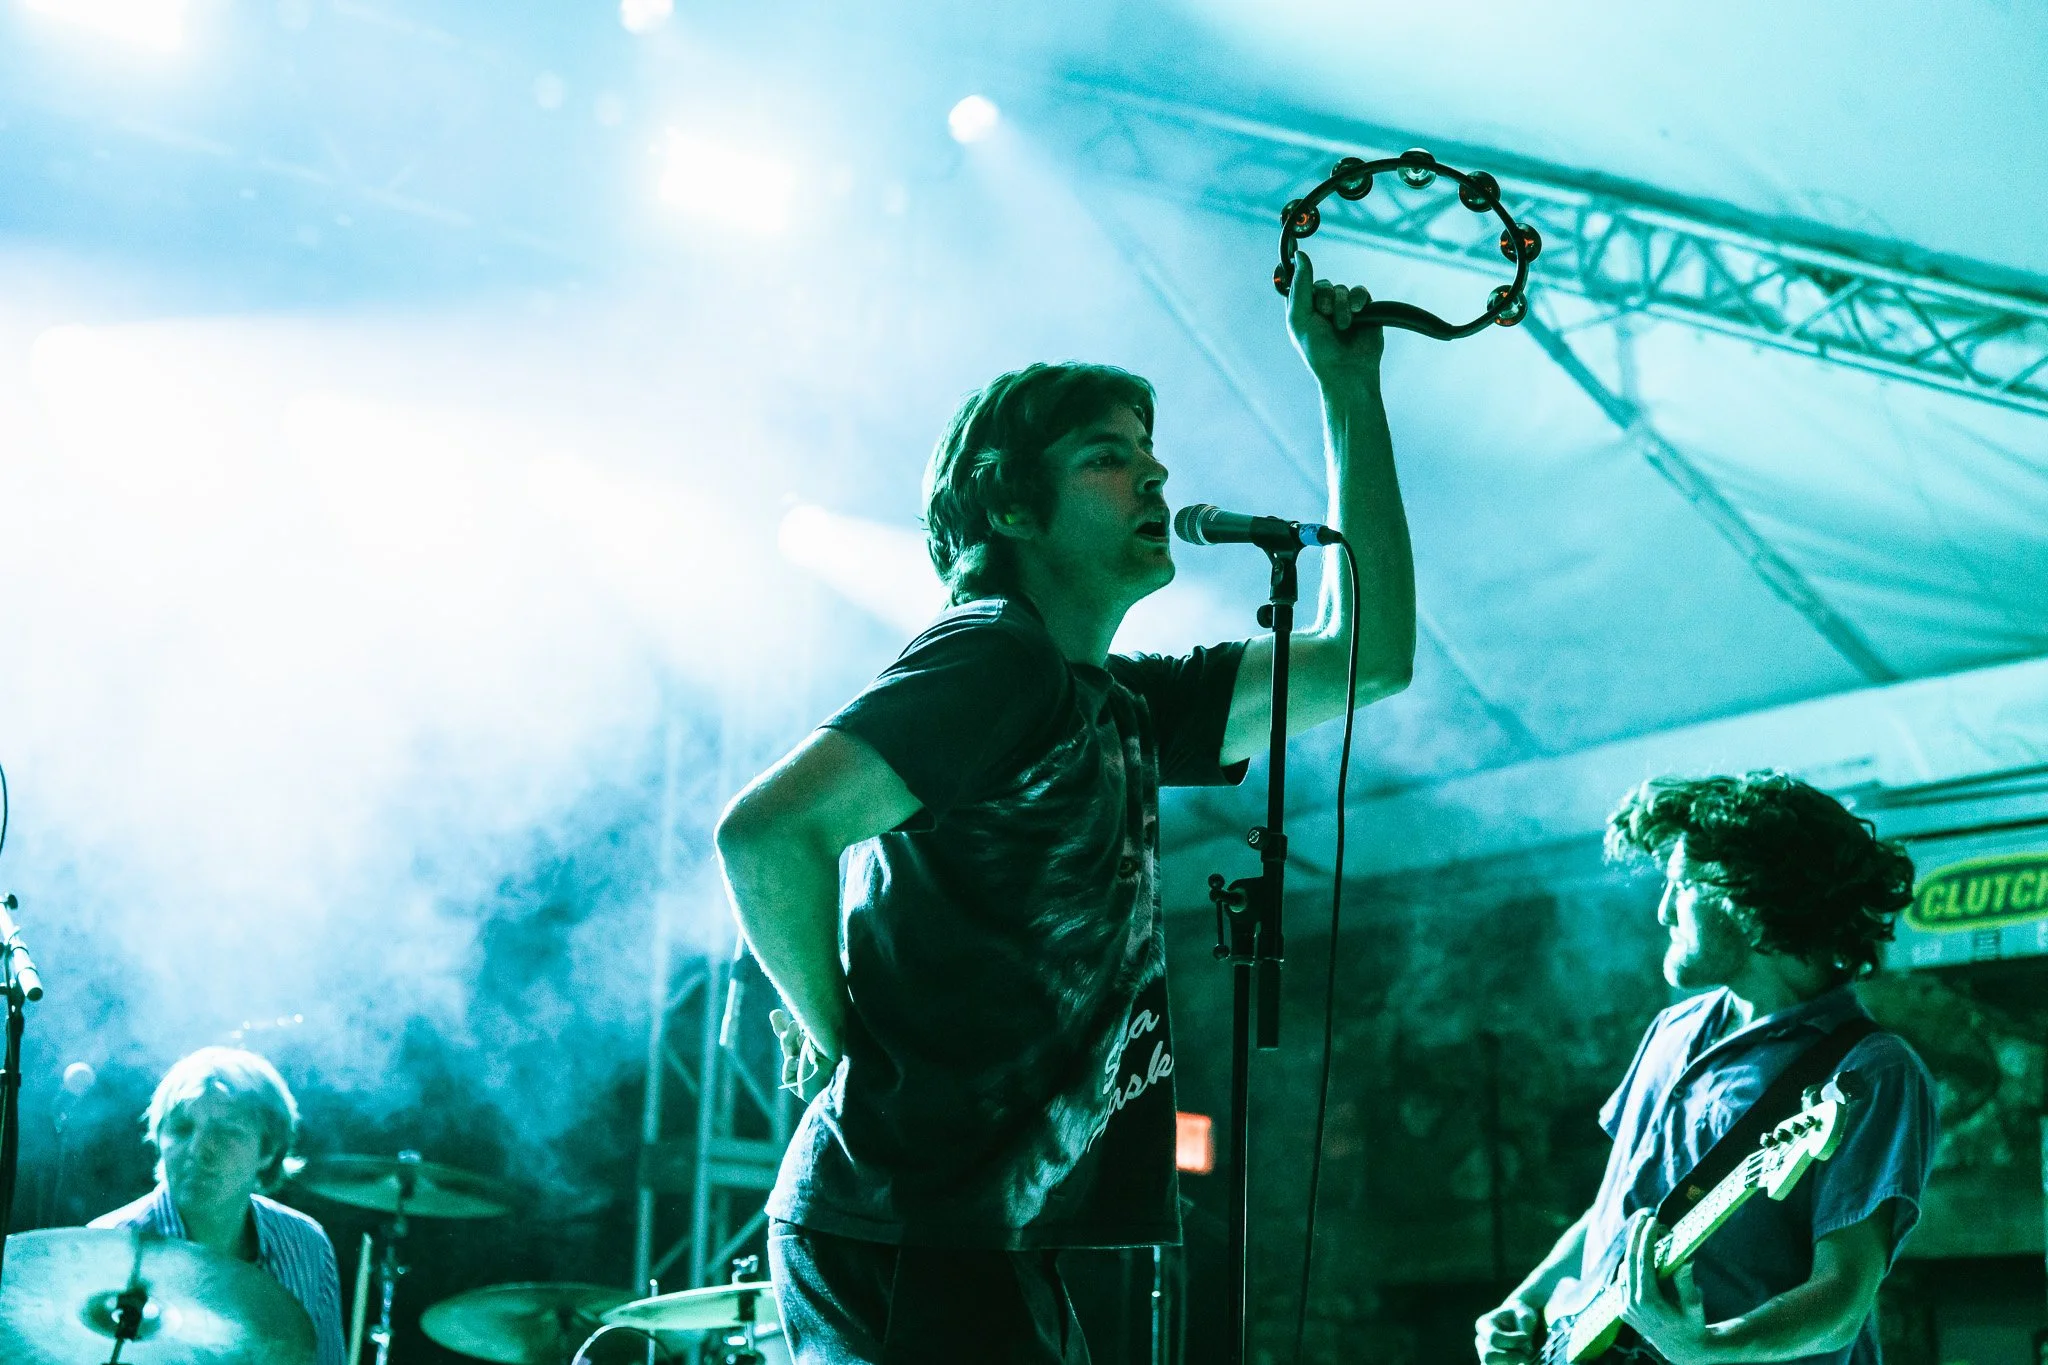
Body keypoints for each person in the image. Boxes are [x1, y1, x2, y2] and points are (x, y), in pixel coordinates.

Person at [715, 250, 1417, 1364]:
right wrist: (842, 1035)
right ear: (1009, 501)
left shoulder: (1116, 699)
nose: (1153, 481)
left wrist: (1347, 390)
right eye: (1106, 459)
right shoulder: (996, 658)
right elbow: (765, 832)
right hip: (910, 1225)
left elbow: (1367, 658)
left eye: (1150, 457)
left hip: (980, 1230)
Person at [1474, 772, 1939, 1365]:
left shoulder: (1870, 1072)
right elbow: (1617, 1212)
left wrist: (1708, 1348)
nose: (1664, 911)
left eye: (1682, 885)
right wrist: (1528, 1299)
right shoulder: (1671, 1031)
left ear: (1750, 900)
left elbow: (1842, 1296)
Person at [90, 1046, 347, 1365]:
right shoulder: (102, 1246)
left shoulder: (307, 1245)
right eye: (182, 1129)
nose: (198, 1149)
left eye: (226, 1132)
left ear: (267, 1151)